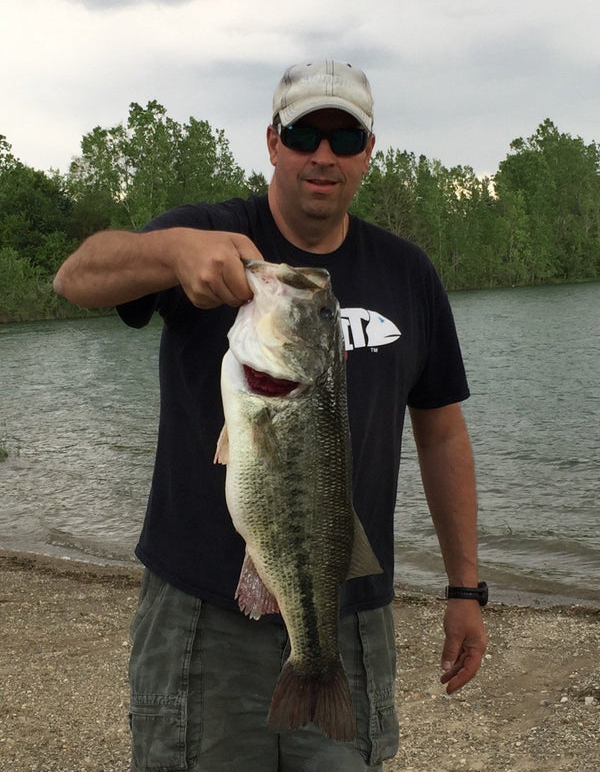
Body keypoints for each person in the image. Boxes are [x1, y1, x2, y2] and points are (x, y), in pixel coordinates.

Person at [54, 59, 487, 771]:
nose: (324, 154)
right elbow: (77, 277)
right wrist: (169, 251)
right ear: (272, 141)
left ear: (368, 151)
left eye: (345, 138)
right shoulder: (206, 235)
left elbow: (441, 432)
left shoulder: (410, 272)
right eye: (304, 133)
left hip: (344, 613)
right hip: (201, 620)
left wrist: (466, 587)